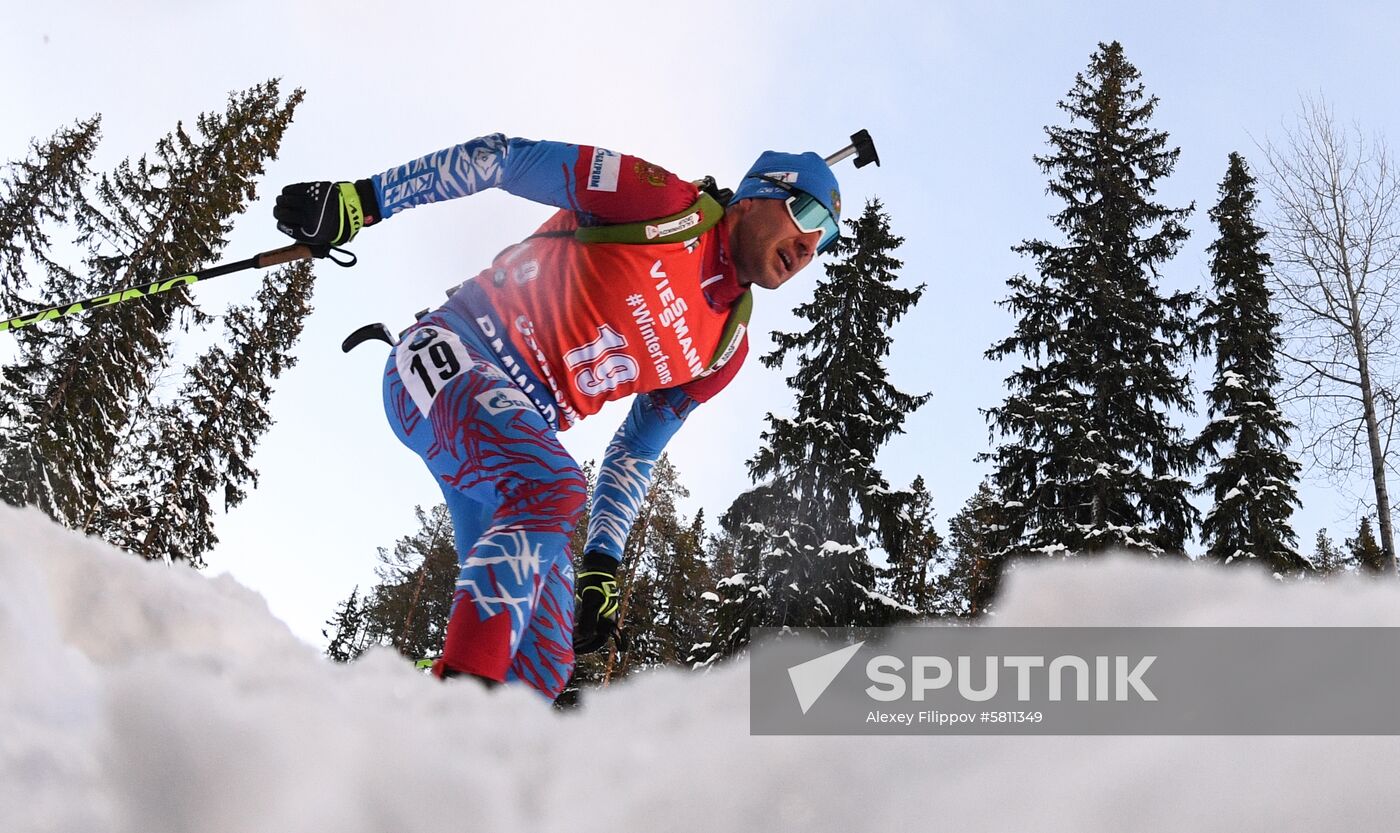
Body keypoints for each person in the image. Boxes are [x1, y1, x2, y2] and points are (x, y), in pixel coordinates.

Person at [274, 134, 842, 700]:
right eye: (807, 212)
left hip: (512, 451)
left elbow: (635, 451)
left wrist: (602, 563)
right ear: (755, 195)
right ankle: (459, 707)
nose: (810, 243)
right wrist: (363, 199)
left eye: (827, 238)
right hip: (448, 353)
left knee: (544, 662)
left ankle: (434, 756)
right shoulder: (665, 206)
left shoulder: (724, 349)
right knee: (553, 485)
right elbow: (504, 159)